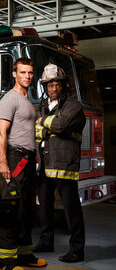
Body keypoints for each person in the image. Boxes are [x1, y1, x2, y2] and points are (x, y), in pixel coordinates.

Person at [0, 58, 47, 269]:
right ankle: (4, 259)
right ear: (14, 74)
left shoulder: (28, 100)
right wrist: (3, 163)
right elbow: (1, 132)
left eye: (30, 73)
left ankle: (25, 255)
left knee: (27, 210)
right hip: (15, 158)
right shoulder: (10, 99)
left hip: (28, 160)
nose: (27, 76)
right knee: (10, 208)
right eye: (23, 72)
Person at [34, 63, 86, 263]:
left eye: (57, 85)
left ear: (63, 86)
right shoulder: (42, 105)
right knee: (44, 207)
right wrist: (49, 125)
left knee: (71, 209)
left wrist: (44, 124)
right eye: (49, 85)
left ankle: (77, 250)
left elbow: (62, 125)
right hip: (45, 164)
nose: (53, 89)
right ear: (45, 87)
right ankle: (46, 242)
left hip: (64, 164)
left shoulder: (74, 106)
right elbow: (36, 128)